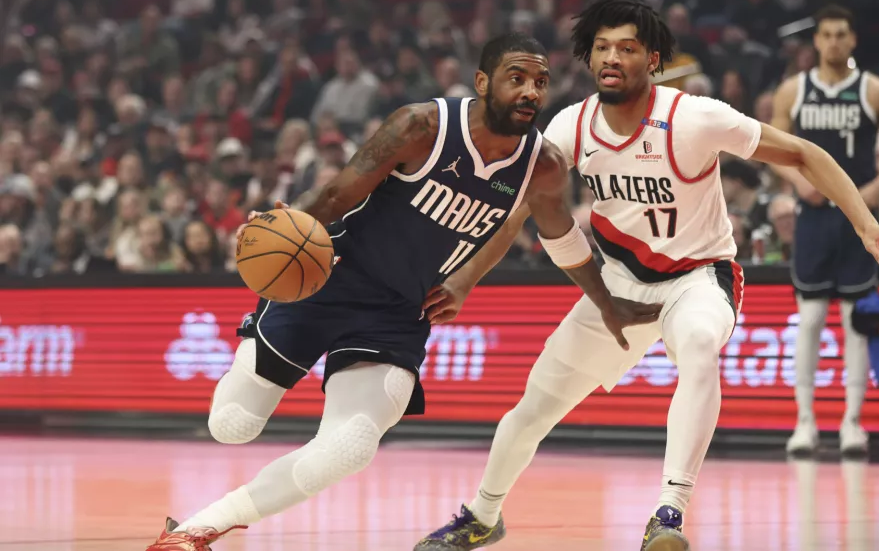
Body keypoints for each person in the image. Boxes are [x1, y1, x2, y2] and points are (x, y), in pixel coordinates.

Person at [415, 0, 879, 551]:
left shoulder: (695, 117)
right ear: (589, 58)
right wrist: (464, 278)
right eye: (602, 47)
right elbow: (519, 211)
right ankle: (482, 515)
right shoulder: (572, 125)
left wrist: (864, 223)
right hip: (615, 282)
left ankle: (669, 511)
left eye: (628, 48)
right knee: (532, 409)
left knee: (700, 348)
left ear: (653, 60)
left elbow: (803, 153)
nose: (612, 58)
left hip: (697, 277)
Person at [144, 33, 661, 551]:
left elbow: (559, 236)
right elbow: (336, 194)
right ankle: (255, 353)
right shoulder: (422, 126)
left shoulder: (542, 165)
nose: (531, 91)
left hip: (400, 311)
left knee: (350, 446)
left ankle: (199, 527)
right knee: (232, 425)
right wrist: (285, 225)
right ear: (483, 83)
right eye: (517, 78)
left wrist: (602, 301)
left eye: (541, 83)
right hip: (330, 279)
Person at [770, 5, 879, 455]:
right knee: (811, 319)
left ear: (852, 41)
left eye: (841, 35)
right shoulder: (793, 90)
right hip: (813, 217)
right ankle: (805, 422)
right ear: (816, 41)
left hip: (859, 218)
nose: (833, 42)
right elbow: (773, 148)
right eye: (827, 35)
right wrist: (799, 183)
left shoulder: (875, 91)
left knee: (857, 322)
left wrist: (878, 186)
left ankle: (852, 422)